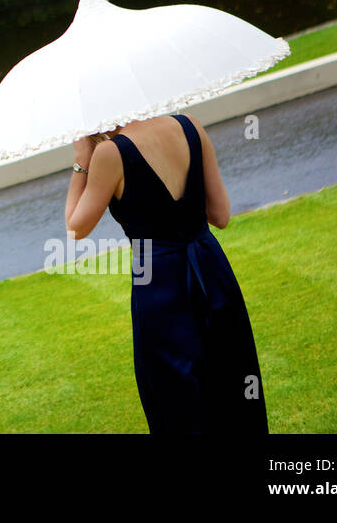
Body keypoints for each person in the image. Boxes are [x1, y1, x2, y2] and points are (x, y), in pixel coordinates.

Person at [65, 112, 268, 433]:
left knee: (176, 395)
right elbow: (221, 215)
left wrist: (80, 159)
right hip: (211, 268)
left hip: (158, 284)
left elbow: (76, 227)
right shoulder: (189, 124)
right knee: (232, 372)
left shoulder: (109, 153)